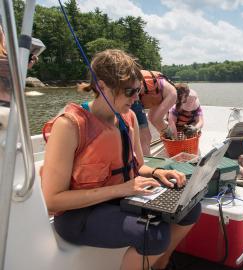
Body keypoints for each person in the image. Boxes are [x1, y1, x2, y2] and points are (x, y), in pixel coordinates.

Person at [41, 49, 201, 270]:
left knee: (190, 206)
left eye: (138, 91)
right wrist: (122, 189)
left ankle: (161, 264)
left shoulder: (129, 117)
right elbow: (52, 200)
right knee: (153, 234)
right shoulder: (69, 126)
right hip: (78, 216)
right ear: (101, 86)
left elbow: (139, 166)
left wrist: (158, 173)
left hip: (121, 200)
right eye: (129, 92)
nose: (137, 98)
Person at [131, 70, 177, 156]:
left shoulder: (158, 93)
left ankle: (167, 141)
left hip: (132, 96)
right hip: (132, 97)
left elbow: (153, 119)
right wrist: (171, 136)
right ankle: (145, 163)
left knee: (145, 135)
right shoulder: (173, 94)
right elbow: (157, 119)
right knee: (145, 137)